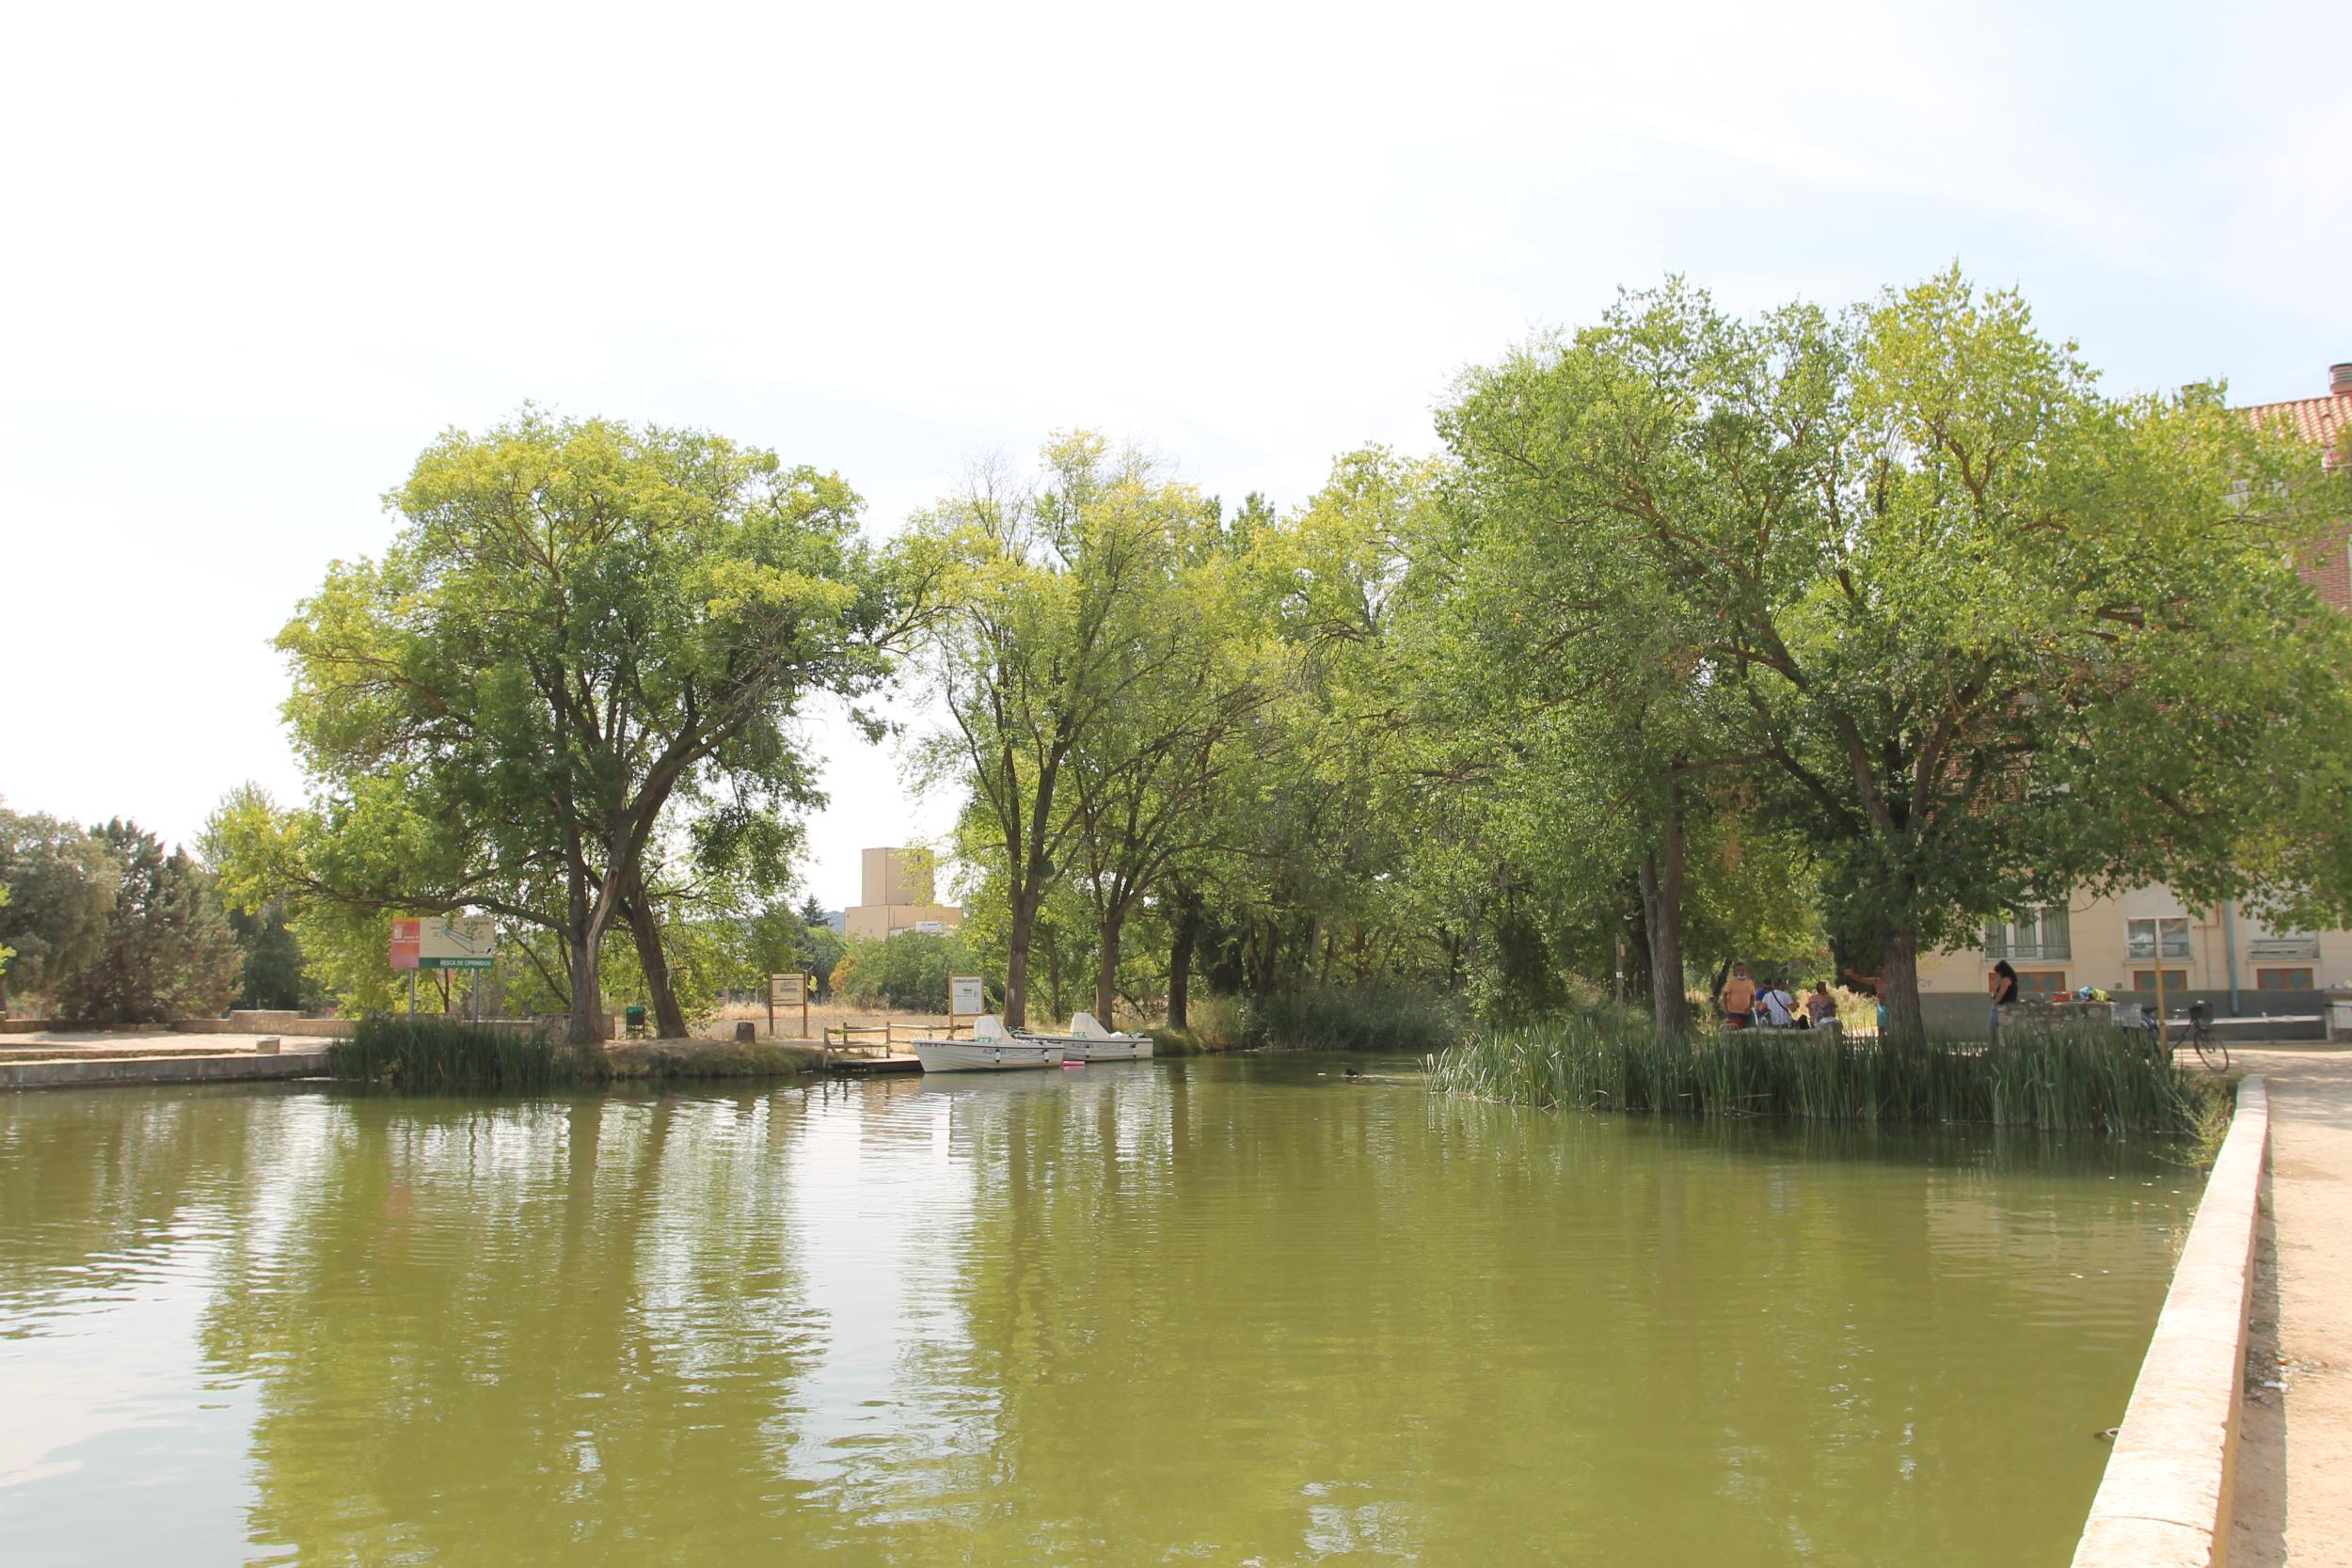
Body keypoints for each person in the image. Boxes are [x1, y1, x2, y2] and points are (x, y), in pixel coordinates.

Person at [1988, 959, 2020, 1039]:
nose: (1998, 975)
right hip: (2010, 1006)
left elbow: (2001, 994)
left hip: (2003, 1006)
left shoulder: (2006, 980)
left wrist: (1994, 1003)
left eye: (1998, 973)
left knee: (1993, 1025)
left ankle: (1994, 1044)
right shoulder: (2012, 980)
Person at [1720, 963, 1756, 1030]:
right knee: (1736, 1032)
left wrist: (1749, 1008)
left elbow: (1753, 996)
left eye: (1743, 970)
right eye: (1739, 970)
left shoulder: (1749, 981)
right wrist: (1726, 1009)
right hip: (1734, 1013)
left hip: (1747, 1012)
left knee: (1751, 1030)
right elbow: (1725, 994)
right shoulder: (1732, 981)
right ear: (1736, 971)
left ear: (1745, 970)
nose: (1741, 972)